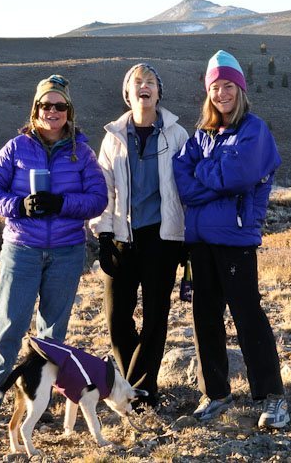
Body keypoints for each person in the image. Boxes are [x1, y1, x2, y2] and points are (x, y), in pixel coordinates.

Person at [0, 74, 109, 423]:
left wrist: (60, 203)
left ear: (69, 111)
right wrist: (19, 206)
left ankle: (38, 402)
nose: (53, 111)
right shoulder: (16, 148)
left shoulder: (82, 152)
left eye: (59, 105)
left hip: (67, 251)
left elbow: (97, 199)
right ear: (35, 110)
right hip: (22, 249)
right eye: (46, 105)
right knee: (10, 327)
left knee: (52, 335)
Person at [173, 50, 289, 429]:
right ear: (208, 93)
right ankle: (216, 393)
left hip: (235, 238)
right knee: (205, 316)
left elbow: (236, 177)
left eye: (228, 86)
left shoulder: (254, 130)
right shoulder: (202, 135)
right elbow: (183, 178)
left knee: (247, 314)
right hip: (200, 240)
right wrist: (215, 178)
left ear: (240, 89)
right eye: (215, 87)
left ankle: (272, 398)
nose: (222, 93)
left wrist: (209, 176)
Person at [88, 63, 189, 409]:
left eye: (150, 83)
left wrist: (187, 238)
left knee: (156, 317)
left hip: (163, 238)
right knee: (117, 319)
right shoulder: (113, 137)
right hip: (121, 237)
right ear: (127, 94)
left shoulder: (176, 135)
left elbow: (184, 190)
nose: (143, 87)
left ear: (159, 93)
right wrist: (103, 233)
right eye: (136, 83)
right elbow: (105, 190)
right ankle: (134, 383)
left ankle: (143, 391)